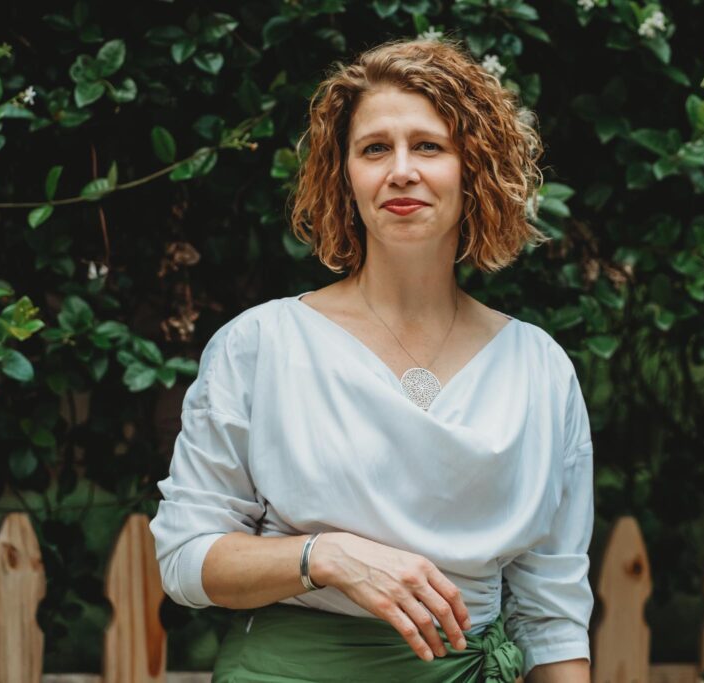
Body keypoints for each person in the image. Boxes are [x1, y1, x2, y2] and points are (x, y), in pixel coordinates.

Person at [149, 36, 595, 683]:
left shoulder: (539, 369)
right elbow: (186, 558)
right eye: (375, 148)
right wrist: (324, 555)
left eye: (429, 146)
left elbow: (551, 615)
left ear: (473, 168)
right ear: (345, 173)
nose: (402, 170)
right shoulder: (262, 346)